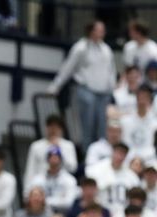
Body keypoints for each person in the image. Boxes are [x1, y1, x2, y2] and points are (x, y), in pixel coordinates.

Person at [47, 21, 116, 150]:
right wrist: (55, 86)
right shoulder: (80, 48)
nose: (102, 33)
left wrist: (112, 89)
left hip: (103, 93)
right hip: (86, 90)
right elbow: (68, 68)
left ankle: (101, 155)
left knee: (103, 127)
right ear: (91, 31)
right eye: (99, 30)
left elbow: (111, 70)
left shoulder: (106, 49)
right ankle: (86, 154)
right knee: (87, 126)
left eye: (103, 30)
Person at [23, 114, 77, 189]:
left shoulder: (68, 145)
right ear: (46, 128)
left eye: (56, 128)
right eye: (50, 127)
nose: (53, 130)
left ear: (61, 129)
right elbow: (30, 170)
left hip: (61, 186)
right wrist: (27, 191)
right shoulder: (36, 146)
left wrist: (59, 148)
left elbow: (73, 168)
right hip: (41, 186)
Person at [85, 142, 141, 213]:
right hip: (102, 212)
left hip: (124, 214)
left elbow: (136, 199)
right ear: (112, 152)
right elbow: (90, 192)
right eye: (118, 153)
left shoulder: (132, 177)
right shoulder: (96, 170)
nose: (119, 157)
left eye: (123, 154)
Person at [26, 146, 78, 214]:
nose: (54, 159)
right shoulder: (37, 179)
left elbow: (68, 203)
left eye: (56, 156)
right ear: (47, 159)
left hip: (63, 215)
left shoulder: (69, 179)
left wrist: (43, 200)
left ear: (61, 159)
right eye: (51, 156)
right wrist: (60, 200)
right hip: (42, 214)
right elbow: (30, 199)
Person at [120, 84, 157, 162]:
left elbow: (152, 148)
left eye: (145, 97)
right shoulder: (125, 121)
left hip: (149, 160)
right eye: (140, 96)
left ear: (150, 100)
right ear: (136, 98)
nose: (142, 100)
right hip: (128, 159)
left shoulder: (155, 124)